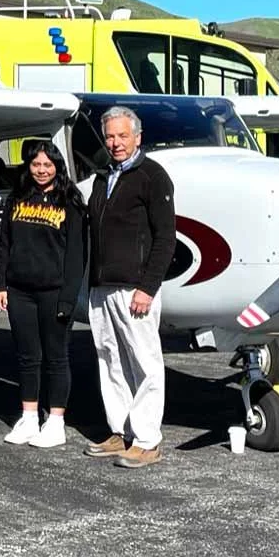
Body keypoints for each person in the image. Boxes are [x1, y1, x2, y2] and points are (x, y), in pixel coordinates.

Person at [82, 105, 177, 468]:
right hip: (102, 286)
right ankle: (120, 431)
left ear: (138, 137)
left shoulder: (153, 176)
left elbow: (166, 238)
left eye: (123, 136)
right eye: (110, 136)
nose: (116, 142)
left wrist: (148, 287)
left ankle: (148, 439)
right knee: (110, 360)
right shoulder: (103, 176)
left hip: (135, 288)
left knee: (144, 362)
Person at [0, 139, 88, 449]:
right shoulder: (18, 198)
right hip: (20, 291)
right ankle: (29, 416)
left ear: (57, 166)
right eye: (36, 164)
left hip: (54, 292)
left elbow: (77, 255)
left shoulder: (71, 202)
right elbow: (5, 244)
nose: (41, 170)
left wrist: (68, 297)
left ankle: (56, 421)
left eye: (47, 165)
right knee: (27, 357)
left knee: (56, 357)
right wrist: (2, 285)